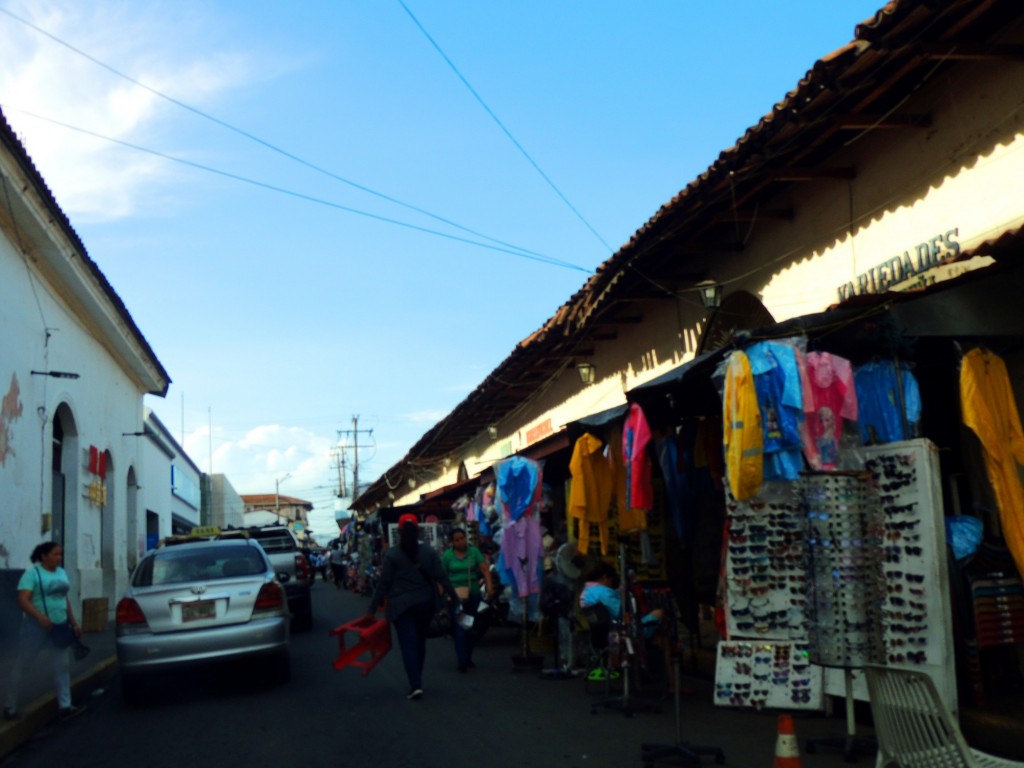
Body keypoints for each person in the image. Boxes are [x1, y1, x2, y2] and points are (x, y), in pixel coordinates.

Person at [365, 514, 458, 700]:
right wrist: (454, 597)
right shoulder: (429, 552)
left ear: (398, 531)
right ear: (418, 530)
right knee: (419, 642)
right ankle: (418, 677)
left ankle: (415, 684)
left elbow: (383, 584)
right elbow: (442, 577)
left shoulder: (391, 555)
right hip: (425, 604)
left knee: (408, 645)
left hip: (401, 607)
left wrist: (372, 609)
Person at [4, 542, 85, 721]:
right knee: (23, 664)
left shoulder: (61, 573)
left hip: (60, 626)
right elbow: (23, 600)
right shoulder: (32, 574)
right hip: (36, 628)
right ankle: (10, 706)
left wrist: (74, 623)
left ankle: (65, 706)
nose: (59, 558)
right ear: (43, 556)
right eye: (55, 554)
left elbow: (65, 600)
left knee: (62, 666)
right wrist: (40, 617)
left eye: (60, 554)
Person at [441, 527, 495, 672]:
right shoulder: (447, 556)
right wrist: (440, 594)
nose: (460, 542)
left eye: (462, 538)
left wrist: (489, 587)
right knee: (459, 627)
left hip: (473, 594)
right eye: (457, 540)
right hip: (455, 597)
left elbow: (484, 569)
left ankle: (468, 656)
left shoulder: (474, 552)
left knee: (470, 626)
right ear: (452, 542)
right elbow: (442, 576)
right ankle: (462, 660)